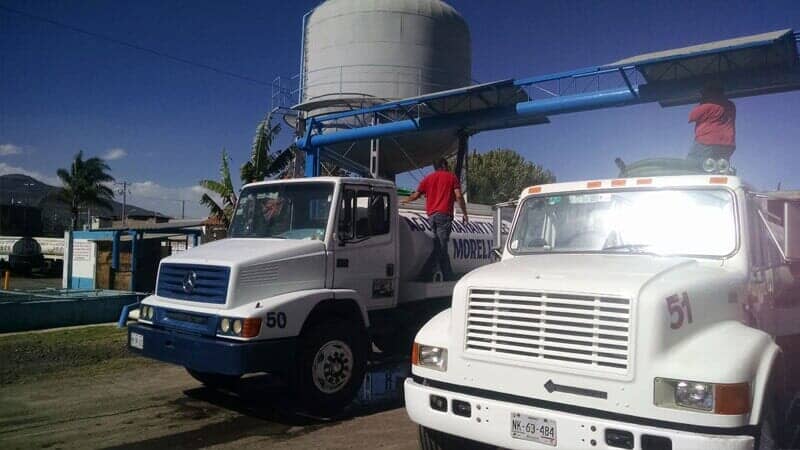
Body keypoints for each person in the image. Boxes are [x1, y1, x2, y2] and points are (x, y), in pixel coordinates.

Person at [402, 158, 468, 281]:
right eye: (447, 165)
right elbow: (459, 196)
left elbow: (416, 195)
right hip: (444, 215)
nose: (448, 167)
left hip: (431, 216)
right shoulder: (451, 177)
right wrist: (464, 213)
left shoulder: (428, 179)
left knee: (441, 245)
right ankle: (425, 274)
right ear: (443, 165)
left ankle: (448, 275)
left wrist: (404, 201)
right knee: (440, 247)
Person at [687, 83, 736, 168]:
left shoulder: (708, 106)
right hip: (727, 144)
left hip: (706, 142)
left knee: (691, 167)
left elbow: (692, 117)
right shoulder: (731, 105)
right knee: (719, 169)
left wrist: (702, 102)